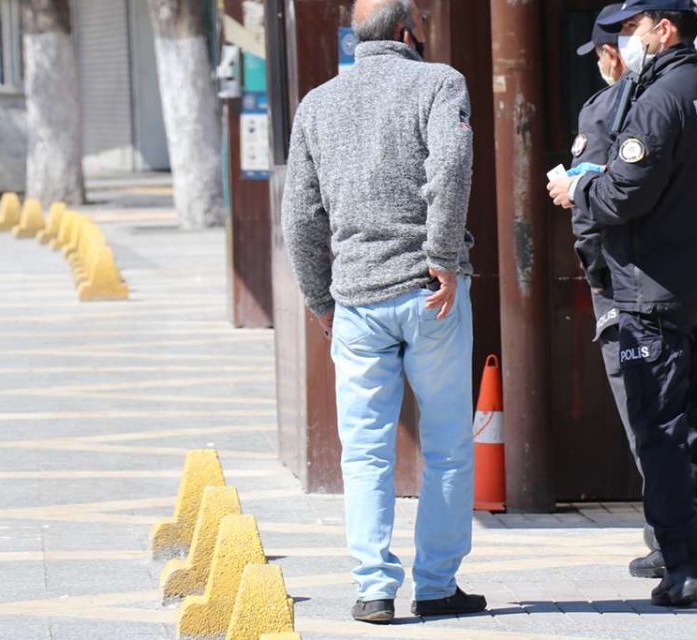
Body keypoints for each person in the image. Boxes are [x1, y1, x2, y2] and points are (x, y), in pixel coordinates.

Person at [547, 0, 697, 607]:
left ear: (663, 29)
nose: (623, 40)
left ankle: (681, 566)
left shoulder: (656, 102)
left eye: (631, 28)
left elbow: (623, 196)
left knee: (660, 433)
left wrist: (577, 187)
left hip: (656, 295)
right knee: (695, 423)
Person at [280, 0, 485, 625]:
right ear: (407, 33)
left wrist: (320, 299)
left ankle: (373, 587)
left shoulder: (316, 104)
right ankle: (436, 585)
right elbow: (451, 166)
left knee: (364, 451)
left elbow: (299, 216)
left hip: (357, 301)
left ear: (353, 37)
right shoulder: (440, 82)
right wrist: (444, 255)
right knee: (448, 445)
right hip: (430, 292)